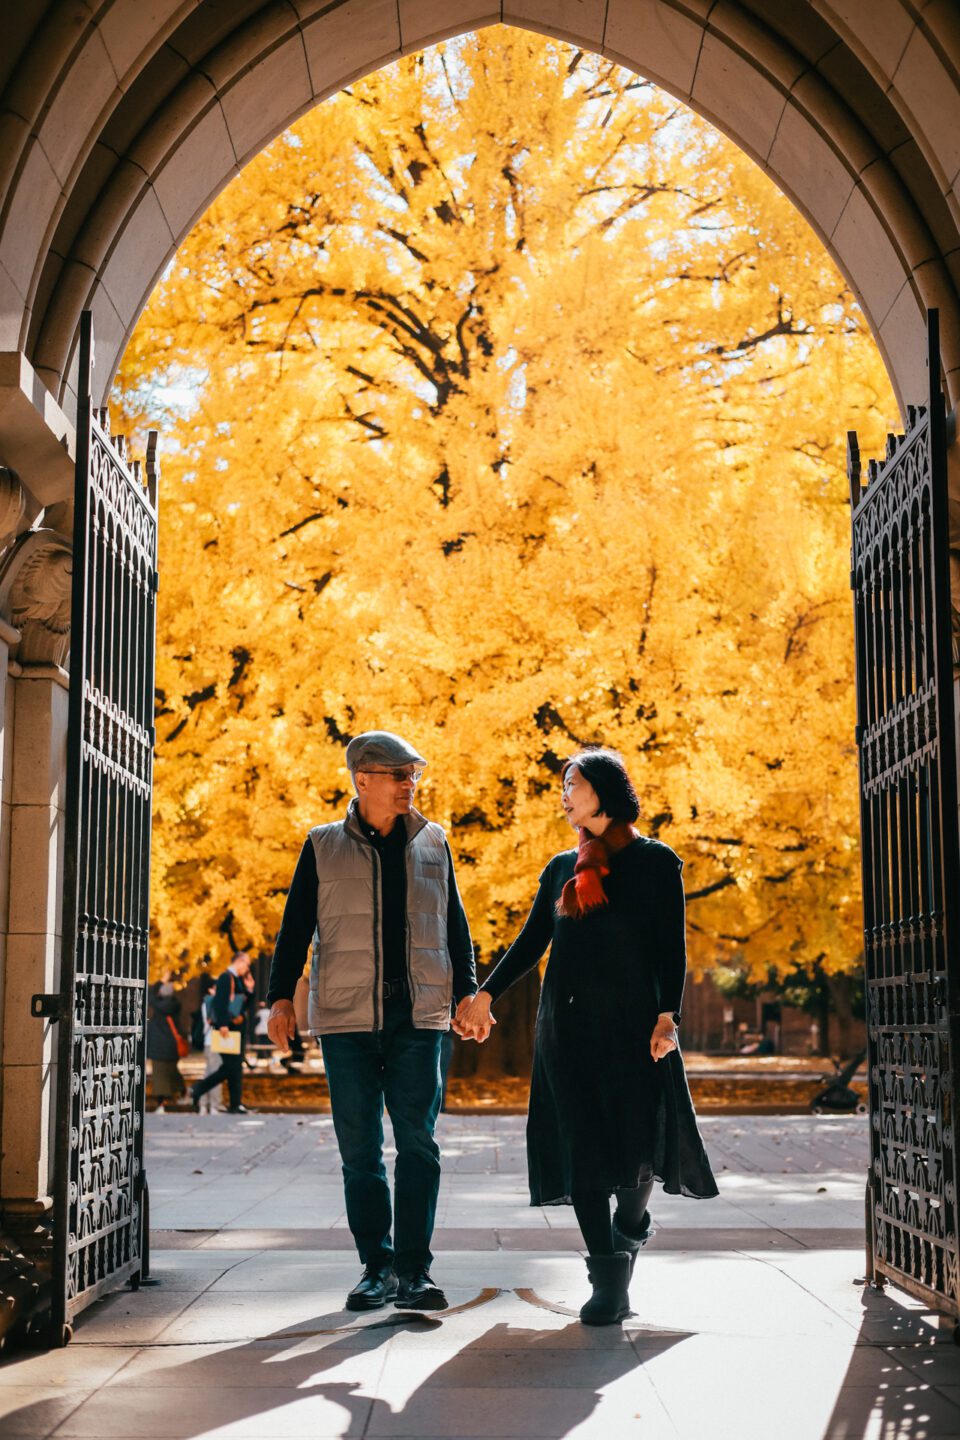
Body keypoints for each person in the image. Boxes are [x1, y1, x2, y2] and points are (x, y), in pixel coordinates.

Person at [456, 747, 718, 1325]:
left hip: (633, 1031)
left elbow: (671, 947)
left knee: (633, 1145)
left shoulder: (655, 862)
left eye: (571, 782)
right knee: (582, 1151)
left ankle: (630, 1229)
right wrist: (484, 994)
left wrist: (667, 1016)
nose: (564, 792)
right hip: (565, 1032)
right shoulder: (561, 870)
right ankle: (608, 1278)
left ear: (602, 789)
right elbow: (530, 943)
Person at [266, 730, 477, 1312]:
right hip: (345, 1019)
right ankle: (375, 1267)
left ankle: (415, 1271)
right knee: (359, 1150)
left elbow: (456, 927)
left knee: (418, 1144)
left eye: (414, 776)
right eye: (399, 776)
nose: (411, 785)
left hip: (421, 1017)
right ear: (363, 781)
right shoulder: (322, 845)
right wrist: (281, 998)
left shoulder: (435, 840)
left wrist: (470, 993)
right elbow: (294, 926)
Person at [190, 952, 254, 1113]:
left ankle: (235, 1104)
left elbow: (243, 1005)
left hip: (236, 1030)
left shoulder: (238, 979)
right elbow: (220, 1002)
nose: (247, 968)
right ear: (239, 962)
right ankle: (198, 1088)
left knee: (234, 1067)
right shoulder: (226, 977)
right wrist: (223, 1024)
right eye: (246, 964)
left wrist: (250, 990)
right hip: (227, 1030)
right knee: (230, 1067)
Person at [146, 969, 186, 1111]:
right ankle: (182, 1094)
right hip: (172, 1046)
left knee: (159, 1076)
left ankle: (161, 1104)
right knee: (172, 1071)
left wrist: (160, 982)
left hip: (158, 1046)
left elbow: (150, 995)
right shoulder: (175, 1006)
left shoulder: (158, 1006)